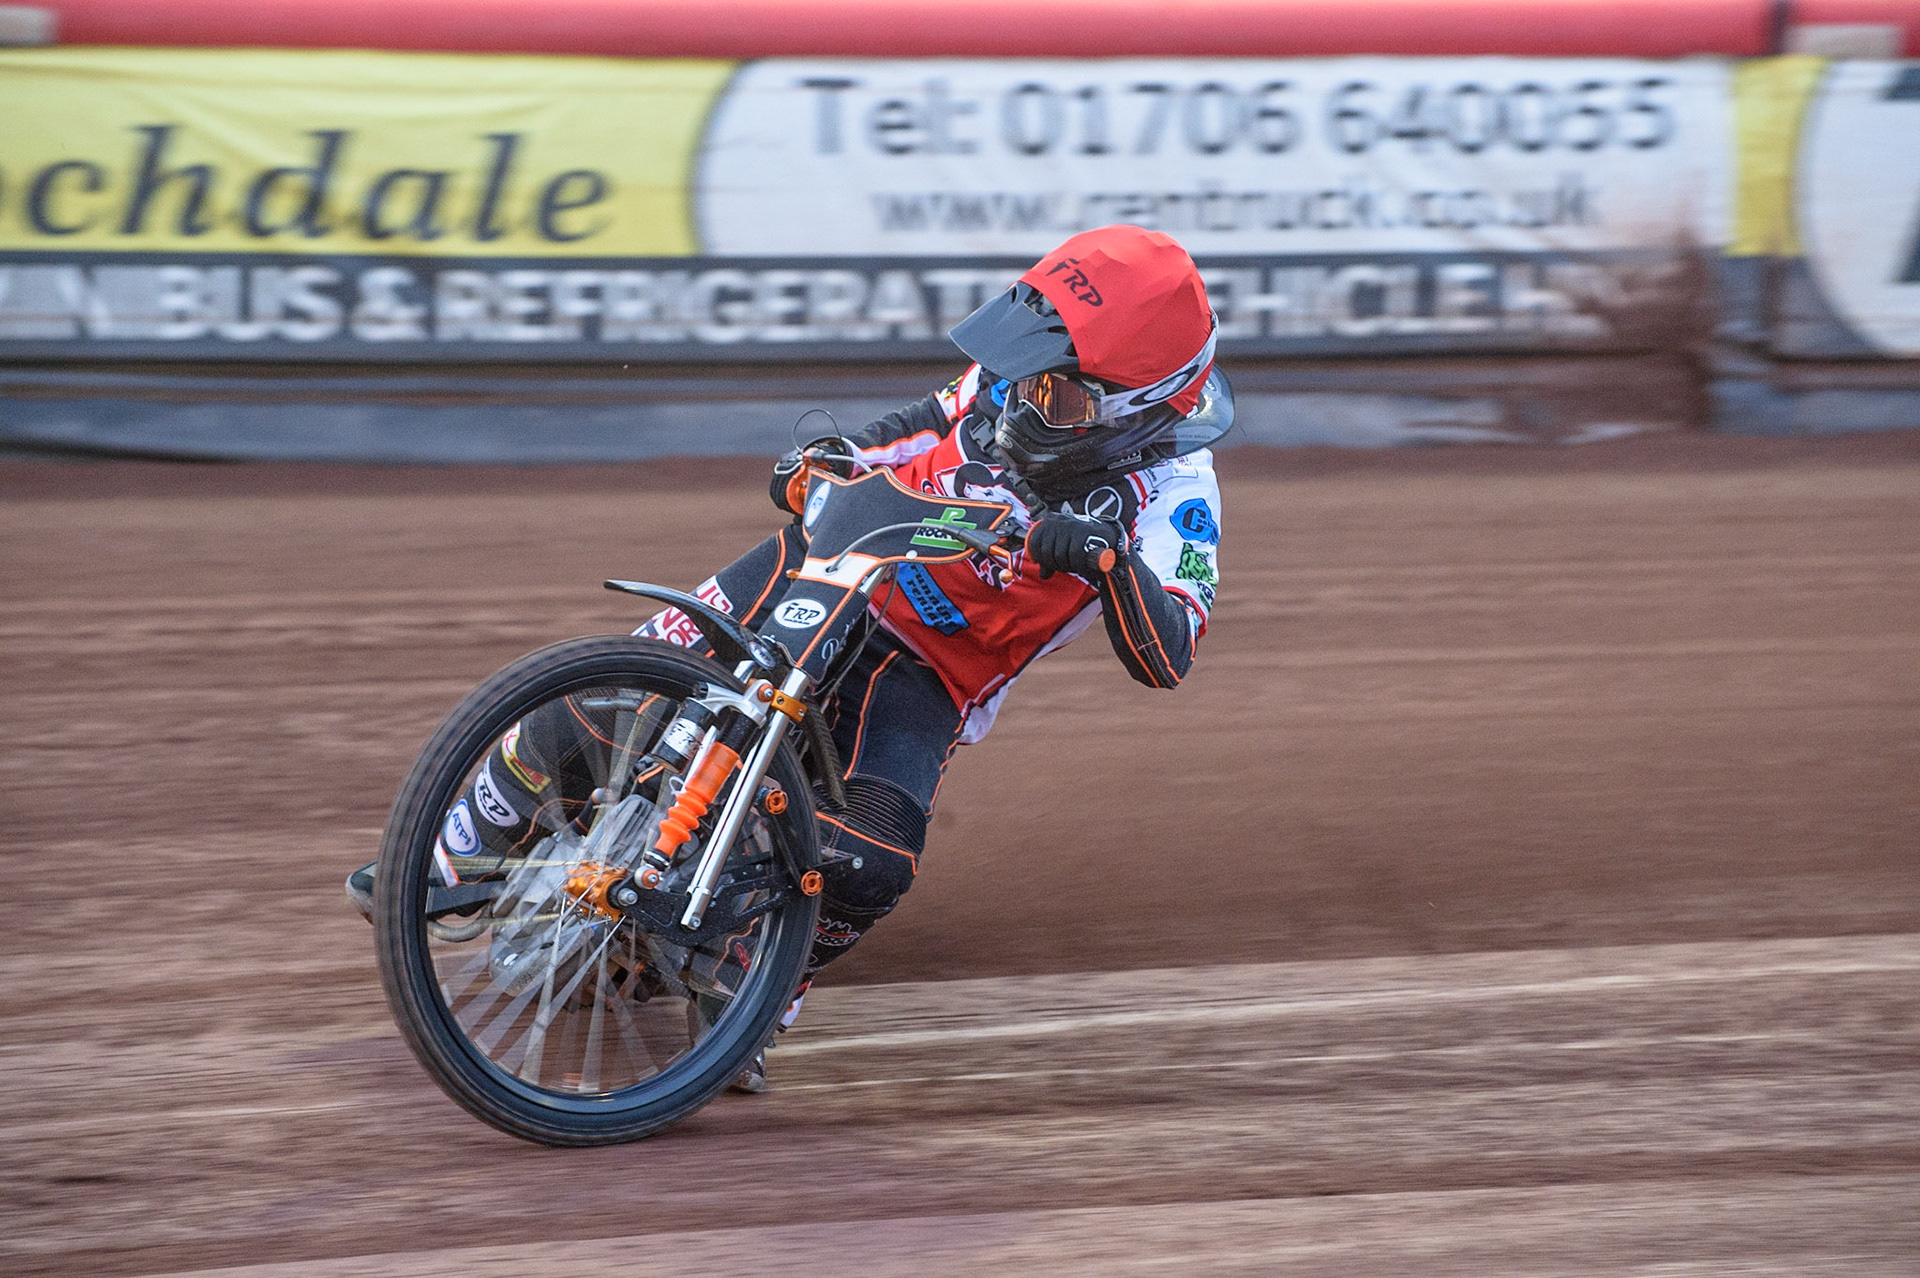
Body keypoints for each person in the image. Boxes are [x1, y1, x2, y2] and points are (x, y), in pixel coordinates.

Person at [348, 224, 1232, 1090]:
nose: (1029, 401)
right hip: (826, 566)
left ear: (1141, 404)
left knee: (871, 862)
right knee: (600, 695)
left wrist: (1108, 561)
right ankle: (451, 856)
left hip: (925, 671)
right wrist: (830, 457)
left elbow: (1171, 652)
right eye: (1027, 377)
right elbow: (928, 420)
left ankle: (762, 977)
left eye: (1063, 398)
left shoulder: (1178, 495)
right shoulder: (1023, 382)